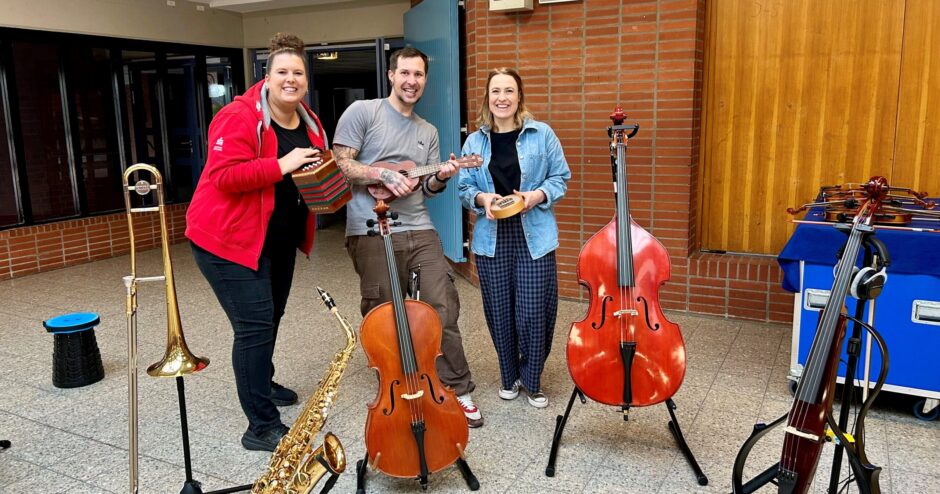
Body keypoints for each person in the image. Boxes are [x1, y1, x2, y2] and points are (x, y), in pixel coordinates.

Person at [185, 33, 328, 451]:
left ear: (306, 78)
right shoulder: (238, 115)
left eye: (298, 72)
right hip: (227, 241)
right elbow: (225, 177)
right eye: (282, 71)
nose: (290, 79)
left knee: (271, 318)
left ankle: (260, 382)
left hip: (276, 240)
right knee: (253, 327)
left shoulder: (309, 120)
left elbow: (313, 171)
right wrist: (282, 164)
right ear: (267, 77)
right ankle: (260, 426)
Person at [332, 47, 483, 428]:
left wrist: (443, 176)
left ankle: (457, 388)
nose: (412, 81)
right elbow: (340, 164)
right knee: (384, 313)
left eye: (419, 75)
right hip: (371, 229)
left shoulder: (428, 131)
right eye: (405, 73)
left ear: (425, 80)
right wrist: (381, 175)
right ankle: (395, 390)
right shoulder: (363, 112)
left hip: (419, 228)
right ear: (391, 75)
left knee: (442, 306)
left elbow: (427, 189)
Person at [457, 67, 570, 408]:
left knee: (535, 311)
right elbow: (464, 187)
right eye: (496, 91)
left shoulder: (542, 134)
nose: (502, 98)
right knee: (499, 311)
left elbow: (560, 178)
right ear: (487, 98)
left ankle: (532, 378)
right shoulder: (475, 141)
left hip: (533, 234)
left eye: (509, 91)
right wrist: (482, 200)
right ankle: (509, 377)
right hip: (492, 237)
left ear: (519, 96)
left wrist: (536, 196)